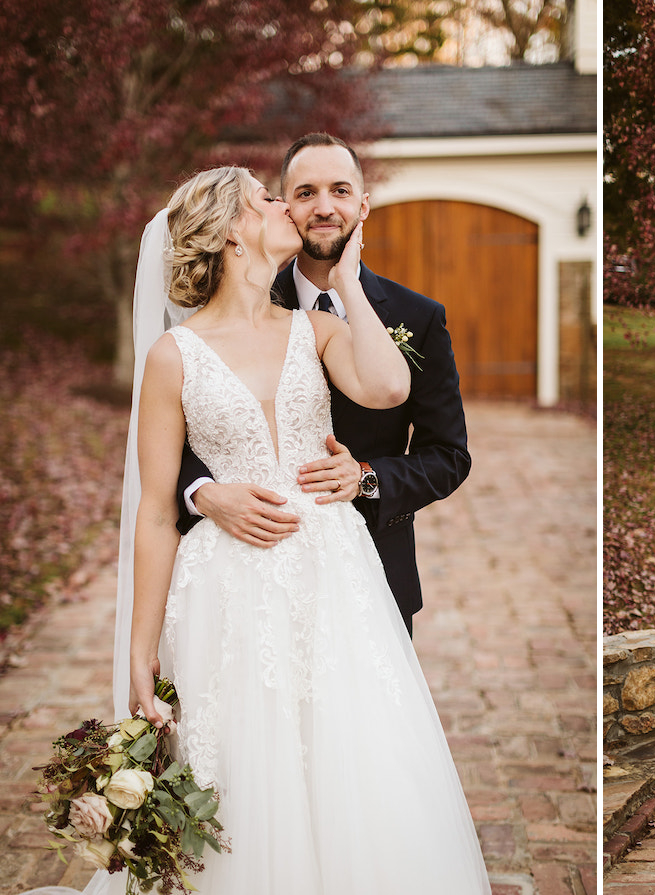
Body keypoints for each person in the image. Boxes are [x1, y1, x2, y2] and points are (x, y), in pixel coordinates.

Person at [76, 167, 490, 893]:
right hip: (227, 591)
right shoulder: (172, 356)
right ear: (233, 230)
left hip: (335, 574)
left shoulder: (319, 327)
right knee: (242, 769)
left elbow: (389, 389)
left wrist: (354, 280)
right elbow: (152, 507)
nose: (286, 206)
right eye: (269, 198)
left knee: (352, 756)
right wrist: (139, 654)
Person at [176, 133, 470, 635]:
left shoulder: (415, 317)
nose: (325, 206)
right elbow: (191, 420)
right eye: (306, 192)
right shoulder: (236, 299)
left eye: (340, 190)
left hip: (373, 565)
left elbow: (449, 456)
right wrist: (201, 492)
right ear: (285, 207)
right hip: (251, 563)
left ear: (363, 203)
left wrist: (367, 477)